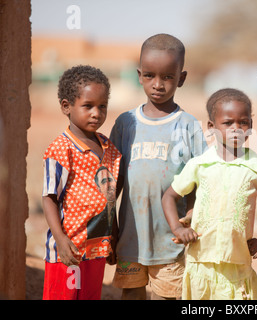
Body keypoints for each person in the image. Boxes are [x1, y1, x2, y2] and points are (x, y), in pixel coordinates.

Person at [109, 33, 207, 300]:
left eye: (168, 77)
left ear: (182, 79)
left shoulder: (187, 125)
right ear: (139, 75)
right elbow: (113, 180)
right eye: (150, 75)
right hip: (131, 237)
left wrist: (191, 218)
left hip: (171, 239)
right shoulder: (126, 123)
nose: (158, 84)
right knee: (131, 292)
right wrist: (110, 226)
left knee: (167, 295)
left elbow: (201, 179)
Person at [162, 88, 257, 300]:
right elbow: (169, 196)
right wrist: (177, 228)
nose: (236, 129)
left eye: (243, 122)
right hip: (200, 262)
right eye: (228, 123)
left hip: (238, 264)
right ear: (211, 127)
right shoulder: (199, 164)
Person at [42, 65, 122, 300]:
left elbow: (110, 197)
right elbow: (49, 197)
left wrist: (113, 235)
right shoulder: (61, 149)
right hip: (69, 249)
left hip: (96, 248)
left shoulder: (110, 148)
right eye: (88, 106)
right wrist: (60, 239)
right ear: (67, 106)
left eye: (102, 106)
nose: (96, 113)